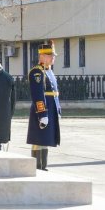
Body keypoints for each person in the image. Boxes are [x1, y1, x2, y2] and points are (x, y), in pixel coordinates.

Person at [26, 40, 61, 171]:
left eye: (53, 55)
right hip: (42, 110)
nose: (53, 58)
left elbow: (54, 94)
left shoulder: (49, 72)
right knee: (38, 139)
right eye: (50, 55)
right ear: (42, 56)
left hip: (50, 109)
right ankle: (37, 166)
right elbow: (38, 95)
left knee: (46, 138)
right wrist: (42, 114)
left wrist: (57, 110)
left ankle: (43, 166)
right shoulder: (37, 72)